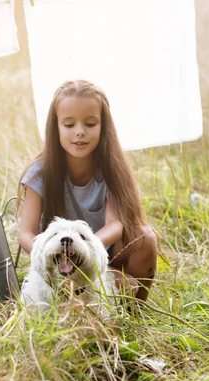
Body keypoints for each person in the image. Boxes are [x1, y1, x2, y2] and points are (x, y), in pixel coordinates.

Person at [19, 80, 158, 301]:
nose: (80, 132)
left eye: (90, 124)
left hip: (102, 254)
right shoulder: (40, 174)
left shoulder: (111, 169)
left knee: (145, 240)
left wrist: (85, 248)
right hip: (59, 259)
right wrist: (48, 252)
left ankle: (132, 316)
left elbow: (116, 225)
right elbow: (26, 233)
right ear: (55, 128)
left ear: (104, 127)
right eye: (69, 125)